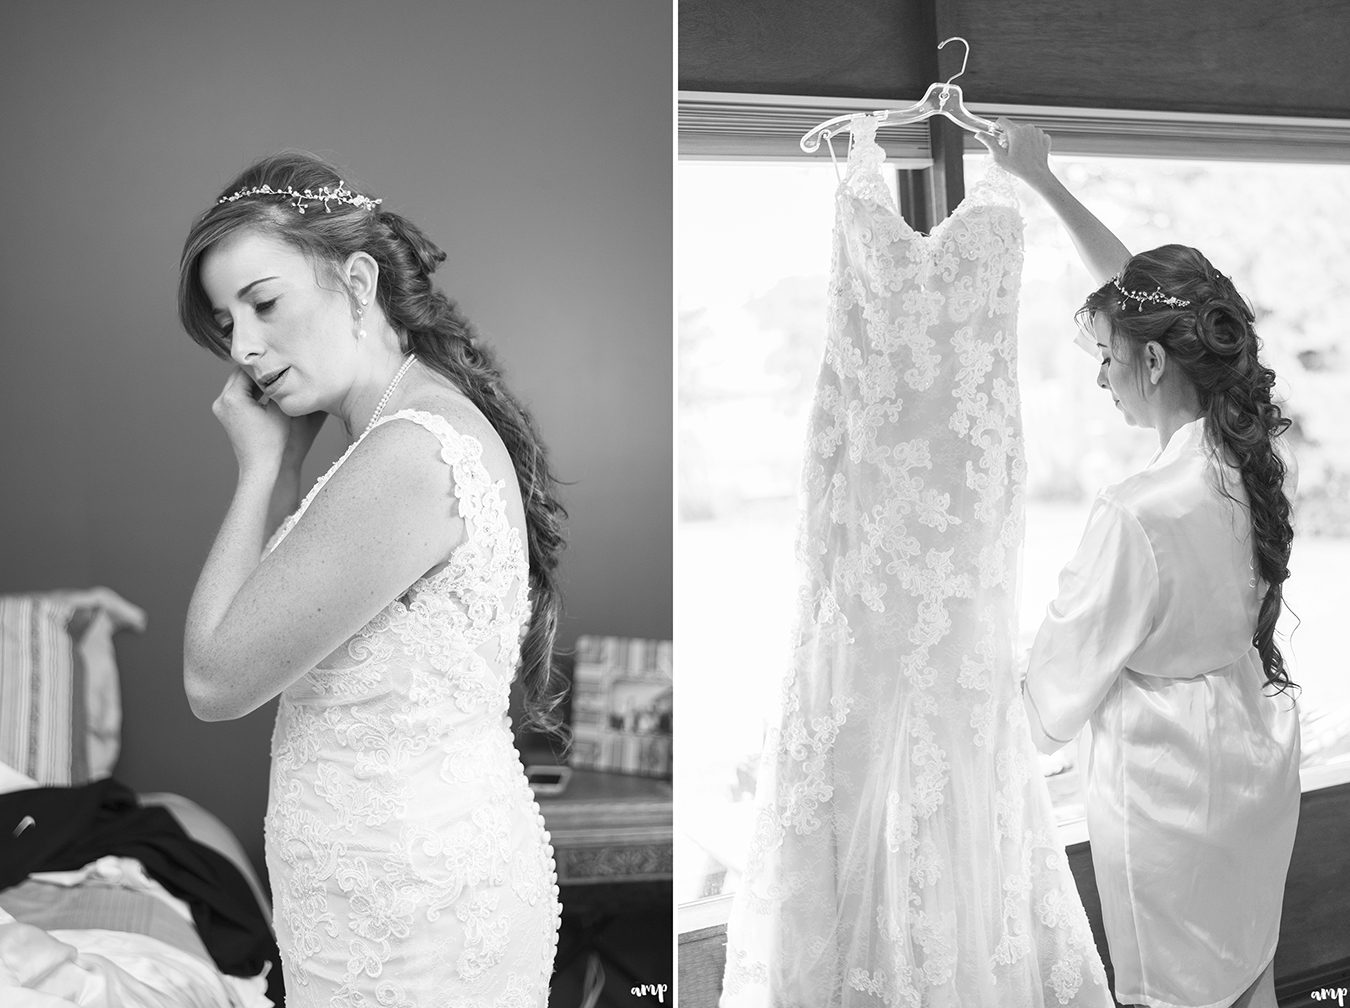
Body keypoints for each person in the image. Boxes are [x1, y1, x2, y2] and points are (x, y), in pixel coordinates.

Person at [177, 151, 568, 1006]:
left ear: (357, 281)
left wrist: (259, 472)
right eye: (224, 321)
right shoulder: (414, 424)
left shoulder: (404, 453)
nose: (243, 346)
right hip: (406, 895)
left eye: (264, 303)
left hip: (406, 925)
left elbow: (213, 680)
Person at [978, 121, 1300, 1008]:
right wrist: (1043, 181)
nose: (1102, 379)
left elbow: (1049, 703)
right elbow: (1145, 299)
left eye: (1108, 362)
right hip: (1247, 778)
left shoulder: (1136, 512)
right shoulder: (1253, 462)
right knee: (1249, 979)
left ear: (1153, 360)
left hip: (1167, 807)